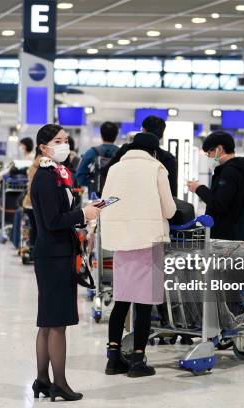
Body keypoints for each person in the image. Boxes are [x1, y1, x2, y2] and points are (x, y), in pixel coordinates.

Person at [30, 124, 101, 402]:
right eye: (57, 141)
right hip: (53, 256)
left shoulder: (57, 174)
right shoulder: (46, 178)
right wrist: (83, 213)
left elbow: (60, 215)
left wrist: (83, 215)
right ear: (43, 147)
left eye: (66, 140)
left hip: (56, 252)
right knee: (57, 323)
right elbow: (52, 221)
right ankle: (59, 383)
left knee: (48, 322)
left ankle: (43, 380)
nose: (64, 145)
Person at [99, 132, 176, 377]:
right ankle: (137, 360)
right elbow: (170, 210)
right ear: (153, 151)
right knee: (144, 304)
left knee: (122, 301)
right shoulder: (157, 169)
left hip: (121, 240)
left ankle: (113, 359)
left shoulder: (115, 169)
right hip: (148, 240)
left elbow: (105, 202)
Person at [187, 131, 244, 241]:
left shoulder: (229, 172)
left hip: (227, 237)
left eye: (209, 153)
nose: (208, 157)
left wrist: (198, 188)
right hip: (240, 233)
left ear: (219, 149)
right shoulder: (241, 170)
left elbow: (219, 205)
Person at [105, 116, 178, 196]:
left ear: (143, 130)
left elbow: (106, 173)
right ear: (161, 135)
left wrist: (102, 205)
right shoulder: (168, 159)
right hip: (154, 206)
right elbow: (172, 194)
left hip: (122, 201)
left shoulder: (125, 150)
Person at [75, 121, 119, 195]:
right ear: (116, 135)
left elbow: (80, 175)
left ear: (101, 135)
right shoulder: (121, 153)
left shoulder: (92, 152)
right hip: (115, 195)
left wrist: (92, 184)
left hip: (95, 196)